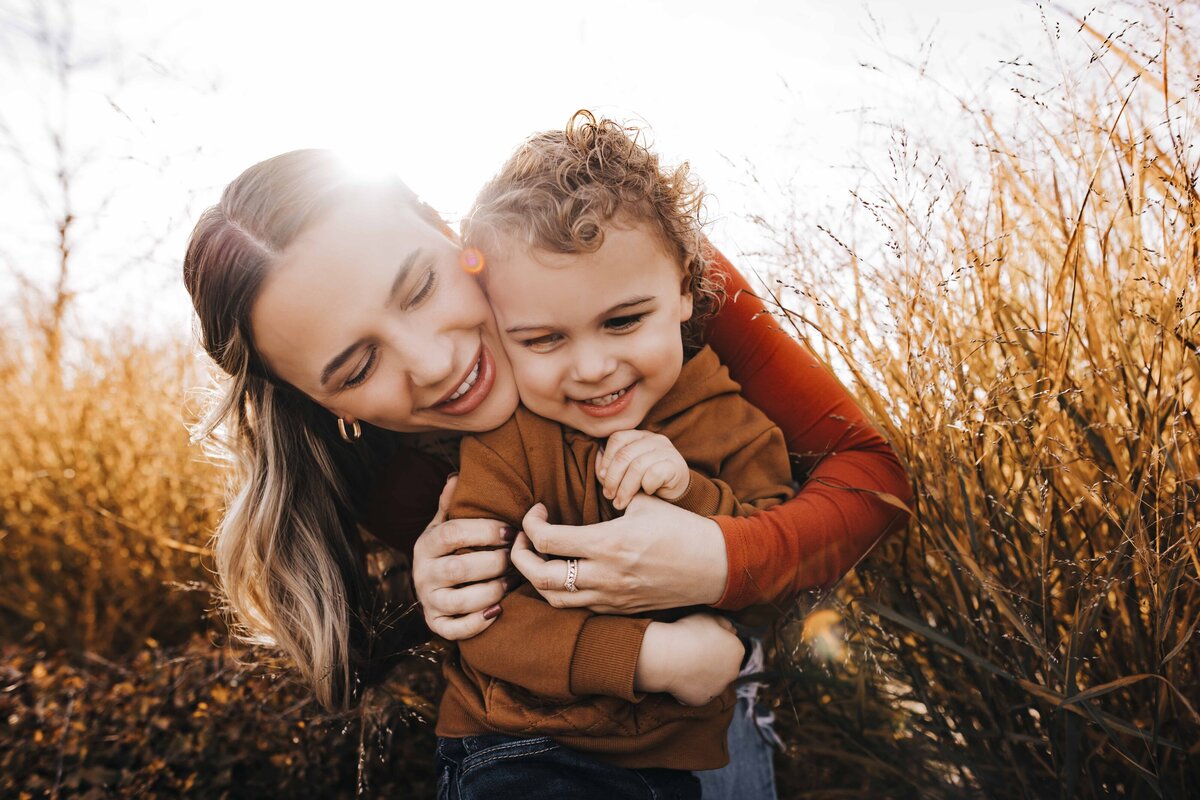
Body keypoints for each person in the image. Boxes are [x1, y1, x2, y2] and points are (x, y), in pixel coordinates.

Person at [183, 135, 911, 798]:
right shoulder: (371, 473)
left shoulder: (616, 261)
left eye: (419, 287)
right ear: (319, 405)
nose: (437, 364)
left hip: (700, 705)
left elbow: (872, 480)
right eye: (358, 366)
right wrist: (429, 599)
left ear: (449, 233)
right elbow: (490, 637)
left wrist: (723, 558)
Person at [429, 112, 796, 799]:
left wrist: (689, 495)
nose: (593, 367)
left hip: (684, 756)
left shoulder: (732, 421)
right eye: (542, 339)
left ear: (687, 287)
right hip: (524, 746)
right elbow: (480, 620)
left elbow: (778, 567)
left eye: (623, 321)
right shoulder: (507, 442)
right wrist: (649, 657)